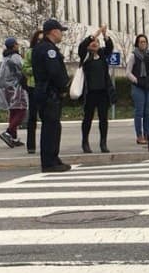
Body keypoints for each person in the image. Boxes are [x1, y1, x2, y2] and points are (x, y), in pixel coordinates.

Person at [34, 18, 73, 172]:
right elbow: (54, 72)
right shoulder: (48, 50)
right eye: (60, 31)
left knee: (53, 127)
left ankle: (53, 158)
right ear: (54, 31)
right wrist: (63, 86)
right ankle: (49, 162)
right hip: (49, 93)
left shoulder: (42, 47)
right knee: (51, 127)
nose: (61, 34)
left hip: (46, 92)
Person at [77, 26, 115, 154]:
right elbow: (82, 47)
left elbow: (110, 47)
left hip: (103, 92)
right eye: (93, 43)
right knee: (87, 118)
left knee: (103, 118)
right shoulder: (85, 56)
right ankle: (85, 142)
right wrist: (94, 35)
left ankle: (103, 142)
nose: (94, 44)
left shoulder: (103, 55)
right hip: (90, 93)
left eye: (97, 43)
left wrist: (104, 35)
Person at [0, 37, 28, 148]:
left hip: (6, 89)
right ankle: (8, 132)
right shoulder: (15, 57)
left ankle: (13, 137)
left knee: (13, 111)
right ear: (14, 45)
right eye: (16, 43)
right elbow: (24, 69)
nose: (18, 45)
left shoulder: (5, 57)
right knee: (22, 110)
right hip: (16, 88)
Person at [23, 28, 43, 153]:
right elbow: (25, 68)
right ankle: (31, 145)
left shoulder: (47, 52)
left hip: (45, 87)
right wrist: (36, 69)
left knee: (46, 116)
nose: (40, 42)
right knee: (32, 117)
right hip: (33, 86)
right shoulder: (30, 52)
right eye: (38, 40)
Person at [127, 33, 149, 145]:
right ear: (137, 43)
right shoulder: (133, 55)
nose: (143, 44)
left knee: (147, 112)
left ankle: (147, 134)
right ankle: (139, 135)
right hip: (138, 86)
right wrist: (137, 80)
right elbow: (128, 72)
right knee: (139, 112)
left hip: (147, 86)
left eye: (144, 42)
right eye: (141, 42)